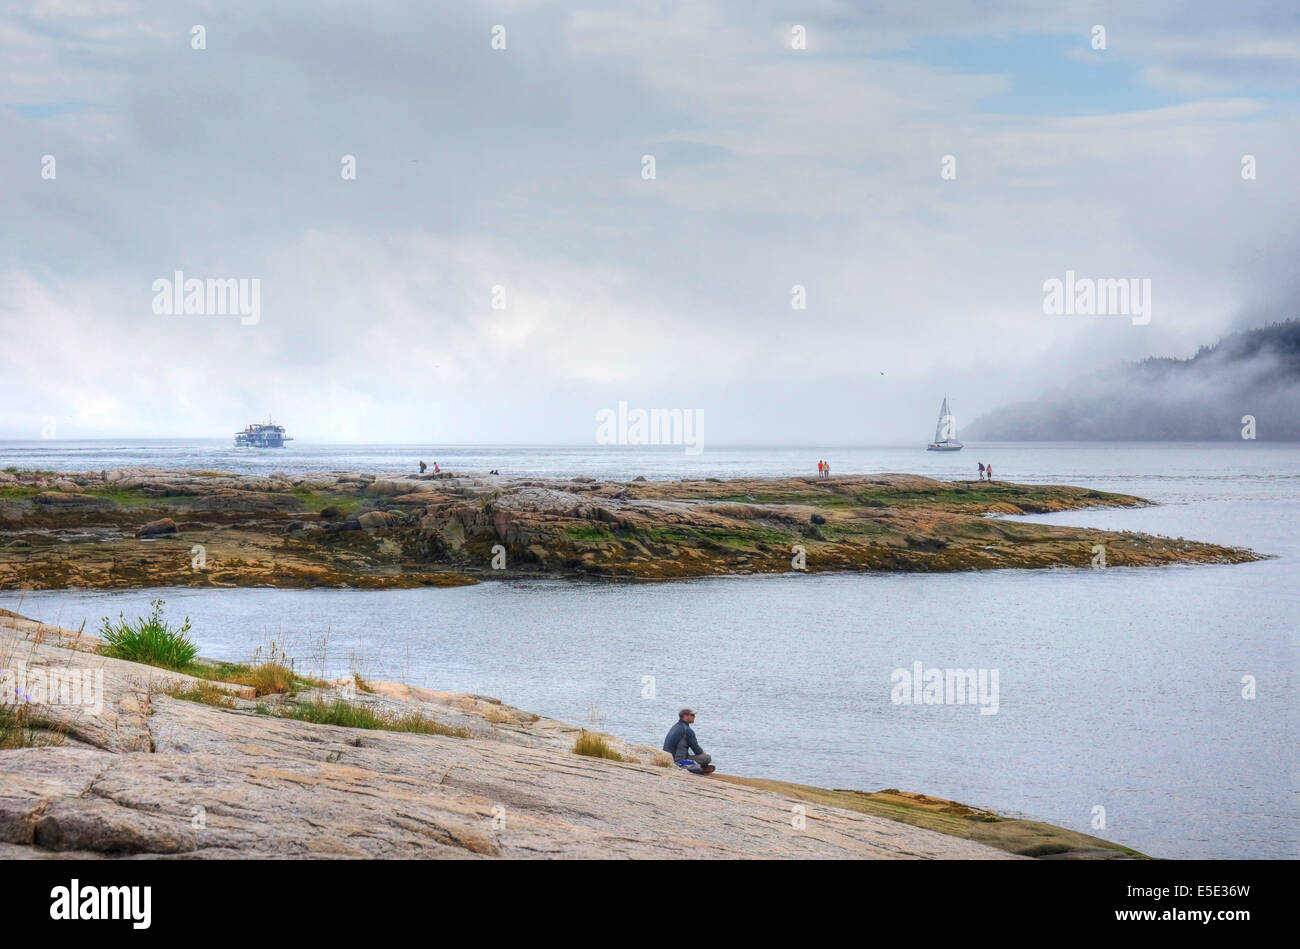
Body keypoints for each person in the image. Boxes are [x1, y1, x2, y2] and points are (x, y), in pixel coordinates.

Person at [663, 707, 713, 773]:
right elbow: (697, 750)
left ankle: (699, 767)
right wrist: (704, 754)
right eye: (692, 715)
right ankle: (697, 768)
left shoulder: (675, 726)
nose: (694, 717)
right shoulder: (687, 730)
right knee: (707, 758)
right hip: (678, 762)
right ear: (685, 716)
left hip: (667, 759)